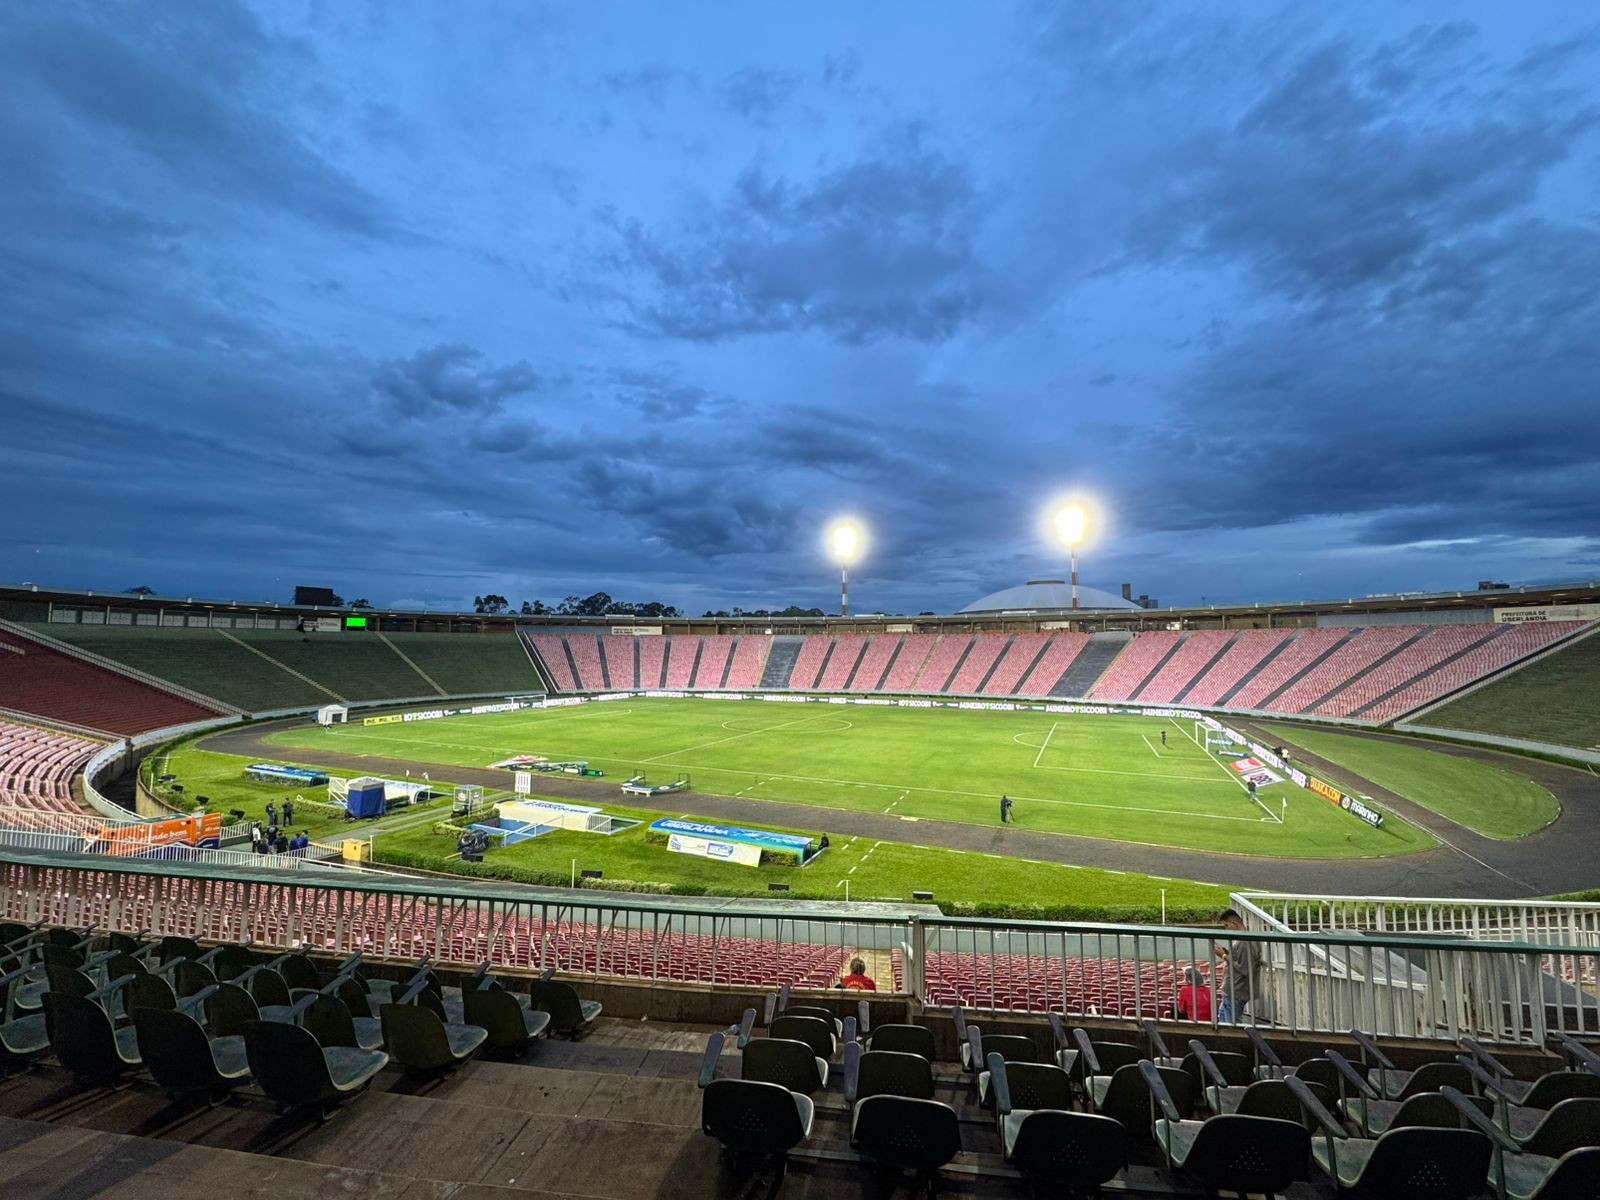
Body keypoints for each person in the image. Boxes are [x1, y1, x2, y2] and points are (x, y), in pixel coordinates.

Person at [1214, 909, 1258, 1022]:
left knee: (1231, 1025)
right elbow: (1240, 960)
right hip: (1232, 991)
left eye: (1226, 925)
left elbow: (1245, 969)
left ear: (1234, 924)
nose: (1226, 929)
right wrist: (1228, 954)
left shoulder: (1244, 942)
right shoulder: (1243, 940)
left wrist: (1224, 956)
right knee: (1224, 1023)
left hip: (1235, 992)